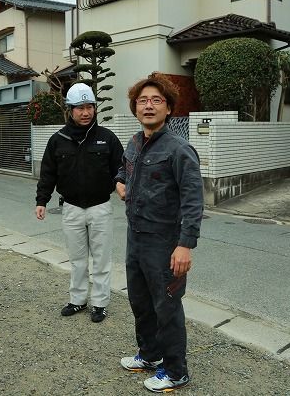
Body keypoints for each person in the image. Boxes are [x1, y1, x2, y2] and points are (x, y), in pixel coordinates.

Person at [115, 73, 203, 393]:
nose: (148, 106)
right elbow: (123, 169)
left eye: (156, 101)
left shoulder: (179, 149)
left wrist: (185, 245)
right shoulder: (134, 142)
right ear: (135, 108)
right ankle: (150, 356)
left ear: (168, 109)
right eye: (142, 101)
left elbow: (194, 200)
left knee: (167, 306)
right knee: (140, 301)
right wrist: (120, 182)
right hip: (135, 237)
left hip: (165, 242)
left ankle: (176, 371)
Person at [35, 83, 123, 323]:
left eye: (89, 107)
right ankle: (77, 300)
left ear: (95, 108)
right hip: (72, 207)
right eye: (79, 108)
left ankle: (100, 304)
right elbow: (48, 173)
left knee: (102, 260)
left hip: (101, 207)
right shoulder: (58, 140)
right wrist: (42, 200)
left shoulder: (107, 138)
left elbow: (121, 169)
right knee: (77, 259)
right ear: (69, 110)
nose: (85, 112)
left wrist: (122, 184)